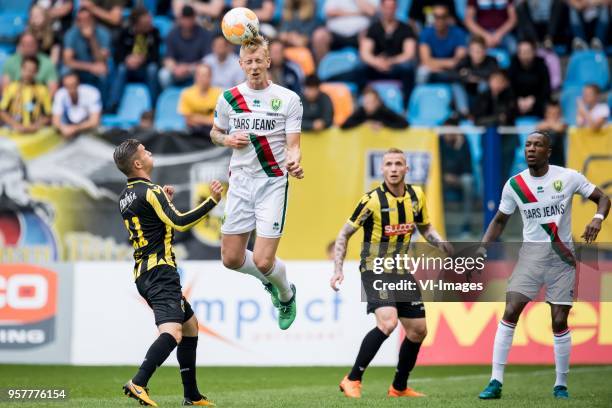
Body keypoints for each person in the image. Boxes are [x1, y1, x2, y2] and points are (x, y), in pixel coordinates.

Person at [477, 131, 610, 400]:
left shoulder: (568, 177)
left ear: (548, 151)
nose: (531, 149)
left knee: (559, 319)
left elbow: (604, 199)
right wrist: (481, 248)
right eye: (528, 144)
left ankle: (561, 385)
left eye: (538, 145)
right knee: (511, 309)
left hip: (562, 257)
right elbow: (500, 221)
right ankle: (494, 382)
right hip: (531, 256)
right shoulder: (514, 185)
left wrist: (597, 218)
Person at [331, 147, 453, 399]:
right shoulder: (372, 200)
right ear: (382, 169)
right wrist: (338, 269)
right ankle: (352, 379)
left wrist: (441, 243)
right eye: (389, 164)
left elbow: (425, 226)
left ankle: (398, 387)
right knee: (388, 323)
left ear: (407, 169)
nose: (394, 169)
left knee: (418, 330)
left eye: (399, 164)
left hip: (401, 271)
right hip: (375, 268)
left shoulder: (416, 196)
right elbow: (344, 233)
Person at [114, 138, 222, 407]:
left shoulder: (125, 196)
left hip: (144, 272)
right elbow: (181, 223)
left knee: (190, 327)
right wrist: (212, 201)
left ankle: (192, 396)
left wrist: (166, 201)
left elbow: (156, 226)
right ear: (138, 163)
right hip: (161, 271)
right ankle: (138, 382)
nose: (150, 153)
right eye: (145, 151)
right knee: (173, 333)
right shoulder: (151, 191)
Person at [210, 35, 303, 330]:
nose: (253, 67)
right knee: (231, 258)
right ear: (240, 64)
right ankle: (271, 282)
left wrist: (294, 161)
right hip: (240, 182)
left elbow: (294, 144)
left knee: (264, 261)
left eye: (258, 61)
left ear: (268, 61)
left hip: (272, 182)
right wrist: (226, 138)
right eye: (248, 62)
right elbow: (214, 132)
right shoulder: (229, 98)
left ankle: (286, 295)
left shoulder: (288, 99)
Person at [360, 0, 417, 108]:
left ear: (396, 8)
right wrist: (376, 62)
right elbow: (365, 53)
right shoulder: (374, 28)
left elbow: (409, 54)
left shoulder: (406, 29)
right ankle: (362, 106)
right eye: (386, 7)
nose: (389, 11)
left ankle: (406, 106)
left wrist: (391, 61)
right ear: (381, 8)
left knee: (408, 69)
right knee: (360, 69)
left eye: (392, 7)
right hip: (376, 67)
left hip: (396, 67)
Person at [417, 4, 469, 116]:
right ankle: (418, 104)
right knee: (422, 72)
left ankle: (463, 112)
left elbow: (458, 61)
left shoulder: (458, 33)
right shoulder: (426, 33)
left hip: (451, 73)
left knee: (458, 79)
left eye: (442, 16)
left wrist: (436, 64)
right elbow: (425, 61)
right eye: (436, 16)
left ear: (448, 18)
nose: (439, 20)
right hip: (435, 72)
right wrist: (446, 64)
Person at [109, 6, 161, 111]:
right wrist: (127, 59)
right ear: (137, 24)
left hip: (145, 69)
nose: (149, 24)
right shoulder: (124, 33)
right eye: (146, 23)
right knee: (121, 69)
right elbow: (117, 56)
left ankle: (153, 106)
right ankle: (113, 105)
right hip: (128, 69)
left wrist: (142, 59)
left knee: (153, 69)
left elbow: (156, 57)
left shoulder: (154, 33)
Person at [473, 69, 517, 184]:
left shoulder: (510, 95)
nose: (496, 84)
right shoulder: (484, 96)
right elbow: (477, 120)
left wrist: (492, 119)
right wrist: (496, 119)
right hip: (488, 140)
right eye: (494, 80)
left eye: (500, 81)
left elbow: (507, 117)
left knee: (505, 173)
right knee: (486, 172)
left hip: (507, 141)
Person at [62, 7, 111, 103]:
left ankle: (104, 106)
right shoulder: (71, 34)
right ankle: (69, 105)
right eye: (81, 20)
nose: (84, 23)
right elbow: (68, 61)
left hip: (98, 67)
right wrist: (90, 67)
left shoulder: (103, 33)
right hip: (80, 68)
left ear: (93, 19)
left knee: (104, 73)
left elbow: (101, 60)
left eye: (87, 19)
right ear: (77, 21)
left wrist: (92, 39)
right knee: (65, 71)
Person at [159, 5, 213, 89]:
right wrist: (175, 68)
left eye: (189, 18)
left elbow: (208, 60)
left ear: (194, 18)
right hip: (177, 69)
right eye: (184, 18)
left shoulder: (204, 35)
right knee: (164, 74)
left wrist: (188, 68)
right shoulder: (172, 34)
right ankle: (169, 98)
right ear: (180, 18)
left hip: (195, 69)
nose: (187, 21)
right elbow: (168, 58)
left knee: (204, 72)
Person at [311, 0, 379, 62]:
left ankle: (365, 70)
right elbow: (329, 12)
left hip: (360, 33)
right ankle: (324, 69)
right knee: (319, 36)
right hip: (335, 33)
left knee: (368, 36)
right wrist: (358, 13)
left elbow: (372, 11)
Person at [440, 119, 474, 236]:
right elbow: (436, 164)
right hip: (442, 178)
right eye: (446, 131)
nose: (448, 134)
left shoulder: (463, 142)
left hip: (459, 178)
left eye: (451, 131)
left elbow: (467, 167)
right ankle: (437, 225)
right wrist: (444, 175)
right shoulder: (438, 141)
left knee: (468, 181)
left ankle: (466, 226)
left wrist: (458, 148)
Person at [0, 56, 52, 133]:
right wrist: (16, 125)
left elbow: (48, 115)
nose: (28, 73)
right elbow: (2, 111)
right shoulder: (11, 87)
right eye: (26, 69)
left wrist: (35, 126)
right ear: (21, 69)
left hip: (35, 132)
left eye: (32, 71)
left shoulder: (42, 90)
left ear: (37, 72)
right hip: (13, 131)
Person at [52, 72, 102, 139]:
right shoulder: (60, 94)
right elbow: (55, 121)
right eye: (67, 86)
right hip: (68, 129)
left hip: (88, 130)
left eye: (73, 85)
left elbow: (95, 121)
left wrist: (74, 128)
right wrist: (63, 128)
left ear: (79, 84)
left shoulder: (92, 93)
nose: (71, 89)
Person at [508, 39, 551, 118]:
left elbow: (546, 89)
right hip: (518, 102)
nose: (525, 55)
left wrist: (533, 99)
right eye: (522, 52)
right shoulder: (513, 65)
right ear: (518, 54)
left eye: (528, 52)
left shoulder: (541, 65)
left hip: (537, 101)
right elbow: (509, 87)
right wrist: (518, 100)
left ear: (534, 52)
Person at [178, 64, 222, 137]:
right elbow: (187, 120)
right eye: (199, 75)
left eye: (205, 75)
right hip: (192, 132)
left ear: (210, 77)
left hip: (213, 132)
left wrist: (196, 118)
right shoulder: (186, 93)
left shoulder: (219, 94)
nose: (202, 78)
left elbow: (219, 121)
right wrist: (209, 120)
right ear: (195, 77)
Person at [456, 35, 498, 110]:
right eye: (473, 51)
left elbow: (494, 75)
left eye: (479, 50)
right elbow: (454, 73)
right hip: (468, 93)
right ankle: (463, 111)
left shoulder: (492, 61)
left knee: (484, 85)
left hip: (485, 96)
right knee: (455, 85)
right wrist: (466, 78)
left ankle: (481, 111)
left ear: (485, 50)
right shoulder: (465, 60)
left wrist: (471, 74)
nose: (476, 54)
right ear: (469, 51)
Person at [341, 86, 408, 129]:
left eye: (371, 102)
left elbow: (404, 124)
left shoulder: (384, 111)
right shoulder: (361, 111)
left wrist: (383, 124)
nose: (367, 105)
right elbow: (344, 126)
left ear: (377, 102)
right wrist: (364, 123)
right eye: (366, 102)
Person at [536, 101, 567, 166]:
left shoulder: (562, 124)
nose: (553, 116)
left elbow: (560, 128)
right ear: (545, 114)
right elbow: (538, 126)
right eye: (550, 113)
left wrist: (549, 124)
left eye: (555, 114)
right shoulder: (542, 125)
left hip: (560, 163)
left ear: (560, 115)